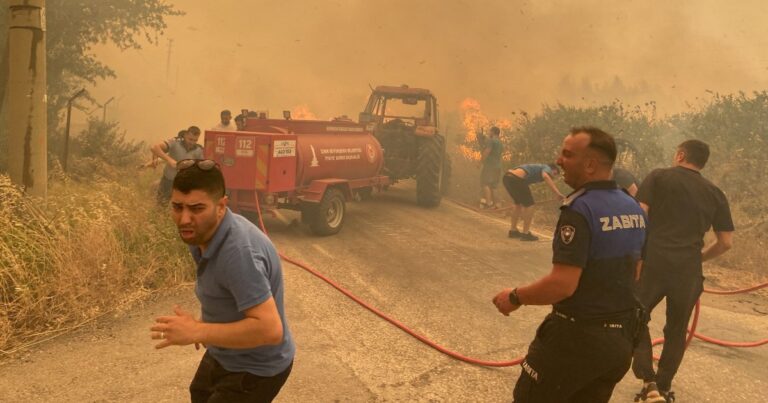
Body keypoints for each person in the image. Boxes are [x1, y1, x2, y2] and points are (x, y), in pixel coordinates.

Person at [492, 126, 647, 402]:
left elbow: (563, 284)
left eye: (567, 154)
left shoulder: (579, 209)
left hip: (576, 342)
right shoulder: (632, 206)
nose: (559, 160)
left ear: (590, 165)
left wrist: (515, 297)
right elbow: (636, 271)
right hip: (618, 345)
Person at [150, 159, 295, 402]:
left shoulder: (238, 253)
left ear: (221, 206)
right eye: (177, 207)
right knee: (199, 393)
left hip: (255, 369)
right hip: (225, 353)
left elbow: (270, 330)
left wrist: (198, 330)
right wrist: (203, 328)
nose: (184, 218)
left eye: (196, 208)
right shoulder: (201, 232)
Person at [632, 139, 734, 403]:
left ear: (680, 155)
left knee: (635, 318)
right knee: (677, 330)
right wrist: (698, 258)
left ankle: (648, 381)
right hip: (687, 270)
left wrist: (634, 258)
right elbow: (725, 243)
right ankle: (664, 387)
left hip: (652, 263)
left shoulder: (658, 177)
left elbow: (639, 218)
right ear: (702, 162)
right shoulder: (715, 193)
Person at [503, 163, 565, 241]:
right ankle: (525, 233)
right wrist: (557, 193)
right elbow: (546, 176)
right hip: (516, 179)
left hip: (507, 178)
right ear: (552, 169)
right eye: (554, 173)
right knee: (530, 205)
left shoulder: (536, 169)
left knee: (518, 203)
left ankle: (513, 231)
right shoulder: (546, 167)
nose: (553, 176)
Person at [151, 126, 204, 204]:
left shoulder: (199, 150)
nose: (192, 142)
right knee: (161, 204)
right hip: (169, 179)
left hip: (184, 183)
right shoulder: (175, 142)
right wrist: (170, 160)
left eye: (195, 140)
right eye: (190, 139)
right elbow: (154, 148)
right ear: (185, 135)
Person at [479, 126, 504, 209]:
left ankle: (489, 204)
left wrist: (480, 162)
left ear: (493, 132)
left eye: (490, 131)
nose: (489, 133)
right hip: (498, 166)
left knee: (485, 183)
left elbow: (487, 151)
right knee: (494, 186)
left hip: (490, 166)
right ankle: (498, 205)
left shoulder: (491, 141)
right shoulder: (500, 143)